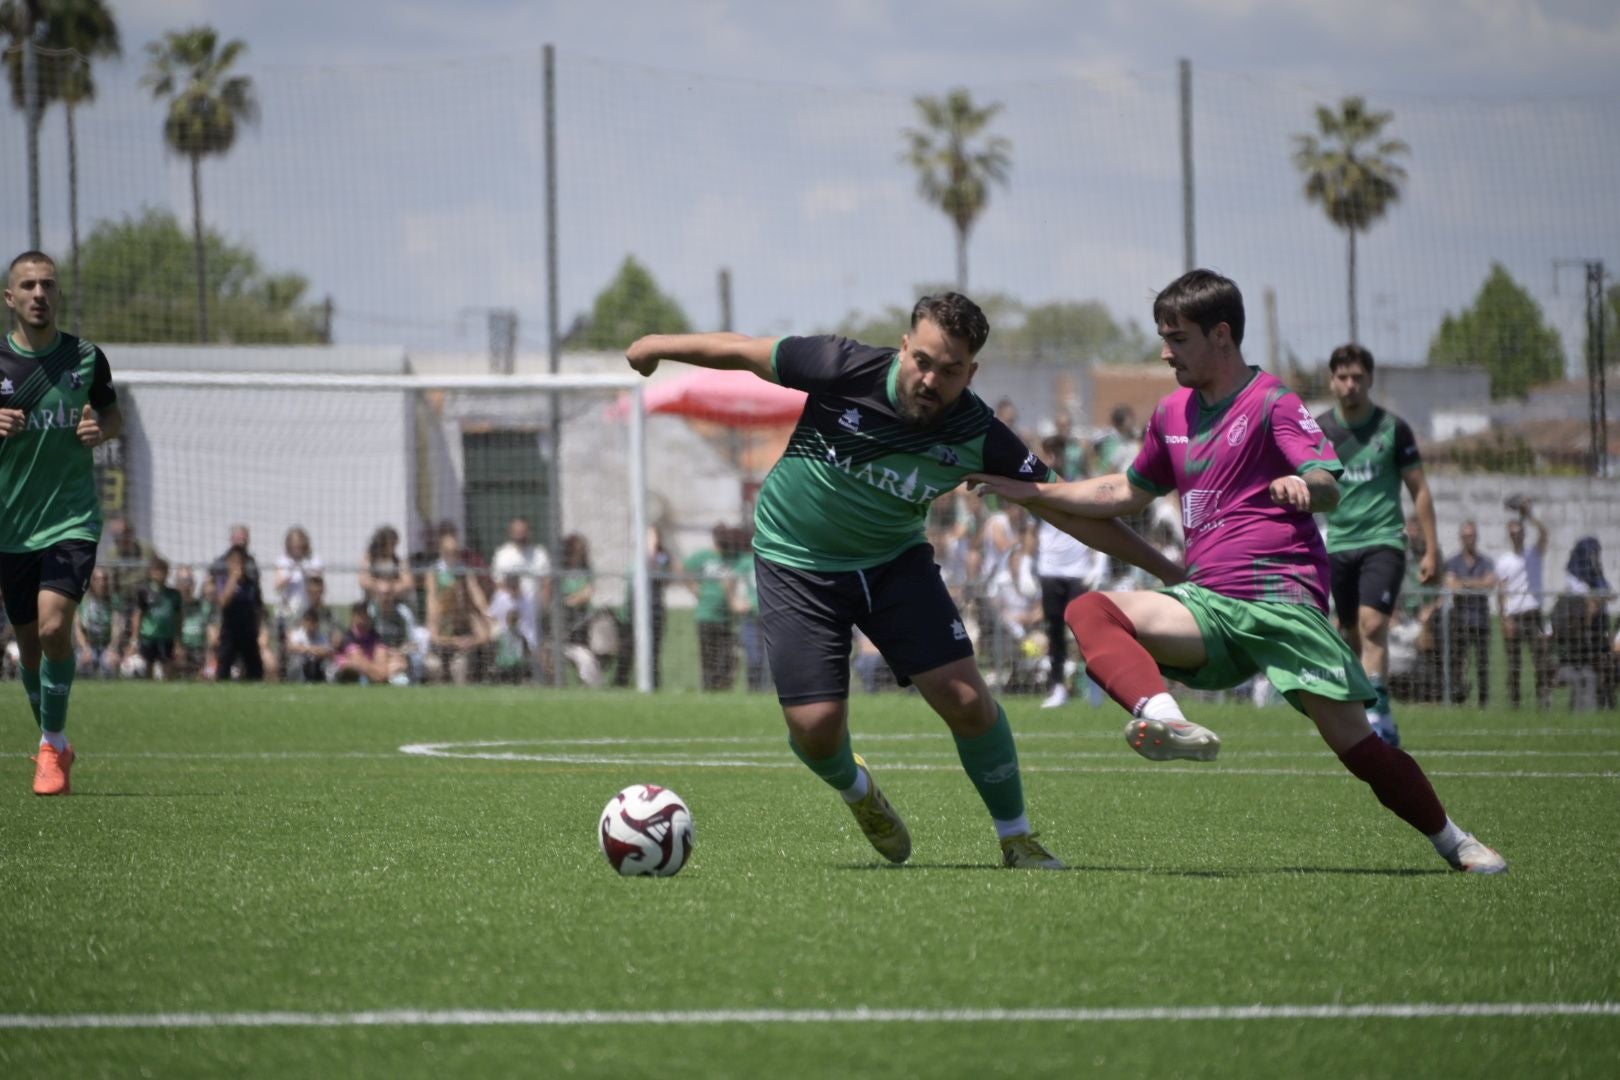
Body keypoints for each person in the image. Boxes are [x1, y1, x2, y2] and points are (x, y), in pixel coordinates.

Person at [971, 269, 1506, 874]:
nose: (1165, 351)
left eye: (1177, 338)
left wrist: (1305, 486)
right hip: (1209, 605)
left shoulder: (1273, 401)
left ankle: (1454, 842)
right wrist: (1031, 489)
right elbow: (1123, 490)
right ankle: (1165, 718)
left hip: (1284, 604)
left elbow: (1329, 484)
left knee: (1361, 750)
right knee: (1090, 610)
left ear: (1220, 336)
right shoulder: (1171, 411)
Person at [627, 291, 1181, 869]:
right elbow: (742, 351)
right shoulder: (842, 367)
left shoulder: (979, 433)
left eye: (949, 370)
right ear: (905, 347)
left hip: (894, 565)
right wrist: (657, 346)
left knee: (967, 699)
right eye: (923, 360)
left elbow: (1066, 509)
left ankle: (1017, 838)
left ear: (972, 371)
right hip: (797, 562)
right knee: (816, 730)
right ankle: (858, 791)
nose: (930, 378)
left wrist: (1167, 568)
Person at [0, 250, 123, 795]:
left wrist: (105, 429)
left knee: (54, 627)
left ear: (58, 293)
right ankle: (57, 744)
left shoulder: (87, 357)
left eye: (47, 284)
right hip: (12, 526)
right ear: (10, 298)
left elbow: (111, 412)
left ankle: (50, 745)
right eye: (27, 285)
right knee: (28, 647)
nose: (38, 293)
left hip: (72, 517)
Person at [1314, 343, 1442, 747]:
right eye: (1343, 377)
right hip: (1338, 544)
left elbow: (1418, 489)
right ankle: (1366, 703)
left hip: (1383, 539)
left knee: (1373, 624)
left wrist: (1433, 549)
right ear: (1332, 381)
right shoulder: (1319, 430)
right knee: (1351, 632)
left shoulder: (1393, 429)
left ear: (1370, 380)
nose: (1351, 385)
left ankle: (1379, 714)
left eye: (1358, 377)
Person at [1035, 434, 1106, 709]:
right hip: (1049, 569)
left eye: (1056, 453)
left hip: (1078, 569)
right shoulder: (1038, 485)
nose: (1053, 458)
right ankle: (1058, 688)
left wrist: (1098, 563)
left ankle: (1095, 686)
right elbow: (1033, 529)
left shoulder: (1081, 485)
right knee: (1054, 631)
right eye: (1048, 453)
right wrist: (1033, 567)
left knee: (1084, 630)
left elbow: (1098, 520)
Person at [1496, 497, 1551, 710]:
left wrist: (1529, 516)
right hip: (1515, 615)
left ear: (1524, 533)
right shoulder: (1504, 560)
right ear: (1509, 535)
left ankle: (1543, 703)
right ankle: (1515, 705)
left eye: (1519, 531)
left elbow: (1545, 534)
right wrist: (1504, 618)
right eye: (1512, 531)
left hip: (1534, 613)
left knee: (1541, 661)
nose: (1516, 534)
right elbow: (1502, 592)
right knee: (1514, 665)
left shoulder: (1533, 554)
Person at [1550, 536, 1615, 709]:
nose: (1594, 557)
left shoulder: (1596, 575)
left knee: (1603, 668)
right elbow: (1588, 604)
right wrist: (1595, 600)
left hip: (1599, 629)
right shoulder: (1574, 577)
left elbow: (1608, 595)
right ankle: (1582, 707)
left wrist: (1598, 599)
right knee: (1584, 673)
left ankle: (1605, 705)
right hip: (1579, 634)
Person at [1443, 521, 1496, 708]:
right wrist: (1476, 584)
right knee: (1458, 663)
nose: (1469, 540)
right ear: (1461, 539)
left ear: (1477, 537)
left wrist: (1464, 583)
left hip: (1481, 620)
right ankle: (1459, 700)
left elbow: (1490, 583)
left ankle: (1483, 703)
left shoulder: (1486, 561)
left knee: (1482, 664)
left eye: (1472, 536)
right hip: (1460, 620)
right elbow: (1452, 586)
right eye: (1466, 536)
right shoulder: (1452, 561)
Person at [685, 523, 741, 692]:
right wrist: (693, 587)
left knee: (726, 656)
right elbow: (683, 568)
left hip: (726, 616)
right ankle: (708, 688)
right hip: (706, 615)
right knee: (708, 655)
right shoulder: (703, 556)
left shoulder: (733, 556)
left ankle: (723, 687)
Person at [129, 555, 183, 680]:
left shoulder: (174, 594)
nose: (160, 573)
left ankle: (168, 687)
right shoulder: (144, 592)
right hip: (149, 636)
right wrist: (134, 639)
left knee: (168, 664)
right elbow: (138, 615)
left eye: (163, 570)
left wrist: (178, 638)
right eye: (157, 570)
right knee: (149, 664)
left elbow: (179, 616)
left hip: (167, 636)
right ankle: (149, 687)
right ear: (151, 572)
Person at [74, 566, 121, 679]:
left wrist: (112, 648)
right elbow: (78, 628)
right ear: (92, 582)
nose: (102, 583)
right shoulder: (83, 602)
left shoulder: (114, 601)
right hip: (88, 646)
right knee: (84, 662)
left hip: (106, 646)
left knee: (111, 663)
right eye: (99, 579)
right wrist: (85, 648)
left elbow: (117, 627)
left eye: (105, 579)